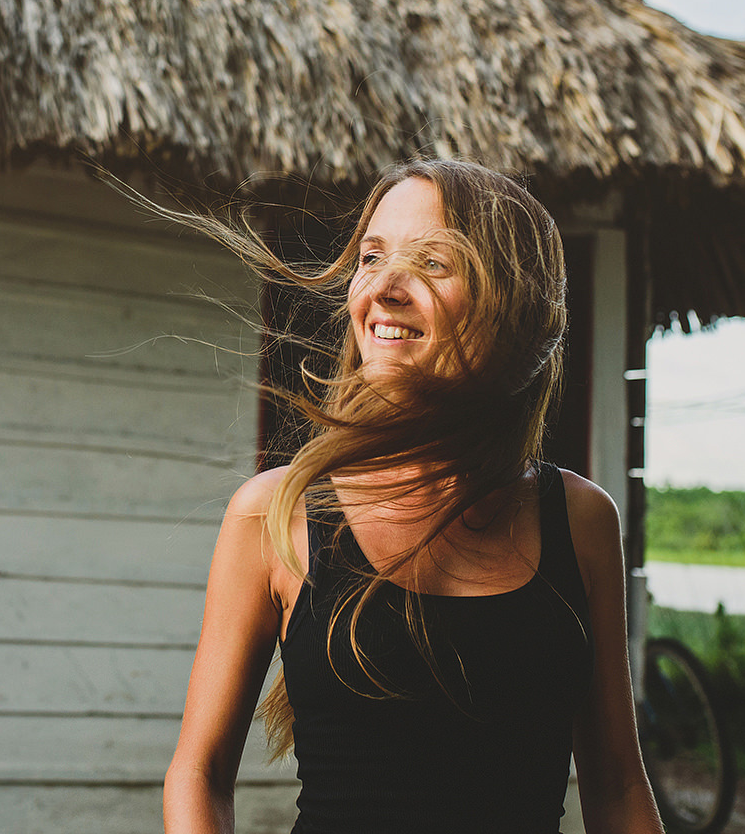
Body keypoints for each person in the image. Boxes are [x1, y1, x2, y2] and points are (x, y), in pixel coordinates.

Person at [163, 160, 663, 834]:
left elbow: (620, 787)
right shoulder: (277, 512)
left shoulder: (580, 519)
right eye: (372, 258)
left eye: (432, 263)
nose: (384, 288)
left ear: (513, 303)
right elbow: (198, 773)